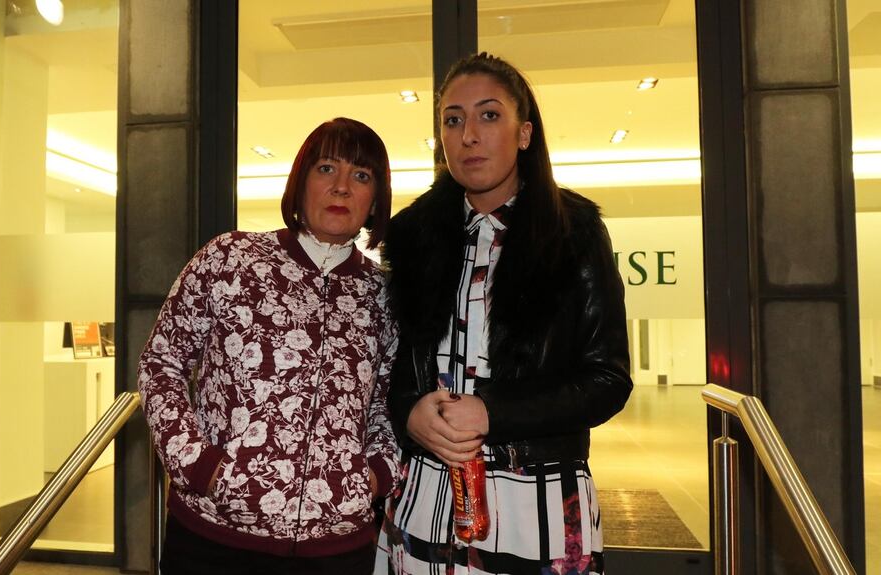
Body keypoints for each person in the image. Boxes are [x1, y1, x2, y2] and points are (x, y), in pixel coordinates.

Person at [377, 53, 633, 574]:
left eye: (489, 115)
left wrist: (494, 411)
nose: (469, 135)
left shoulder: (574, 233)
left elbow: (608, 379)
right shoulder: (412, 236)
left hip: (536, 497)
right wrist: (409, 410)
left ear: (524, 134)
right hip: (427, 493)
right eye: (453, 120)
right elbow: (395, 364)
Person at [138, 117, 401, 575]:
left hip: (338, 550)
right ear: (300, 182)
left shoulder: (384, 296)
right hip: (213, 539)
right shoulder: (229, 259)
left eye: (361, 176)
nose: (341, 187)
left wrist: (374, 475)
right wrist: (199, 465)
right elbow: (163, 361)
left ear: (375, 200)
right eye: (326, 169)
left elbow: (388, 402)